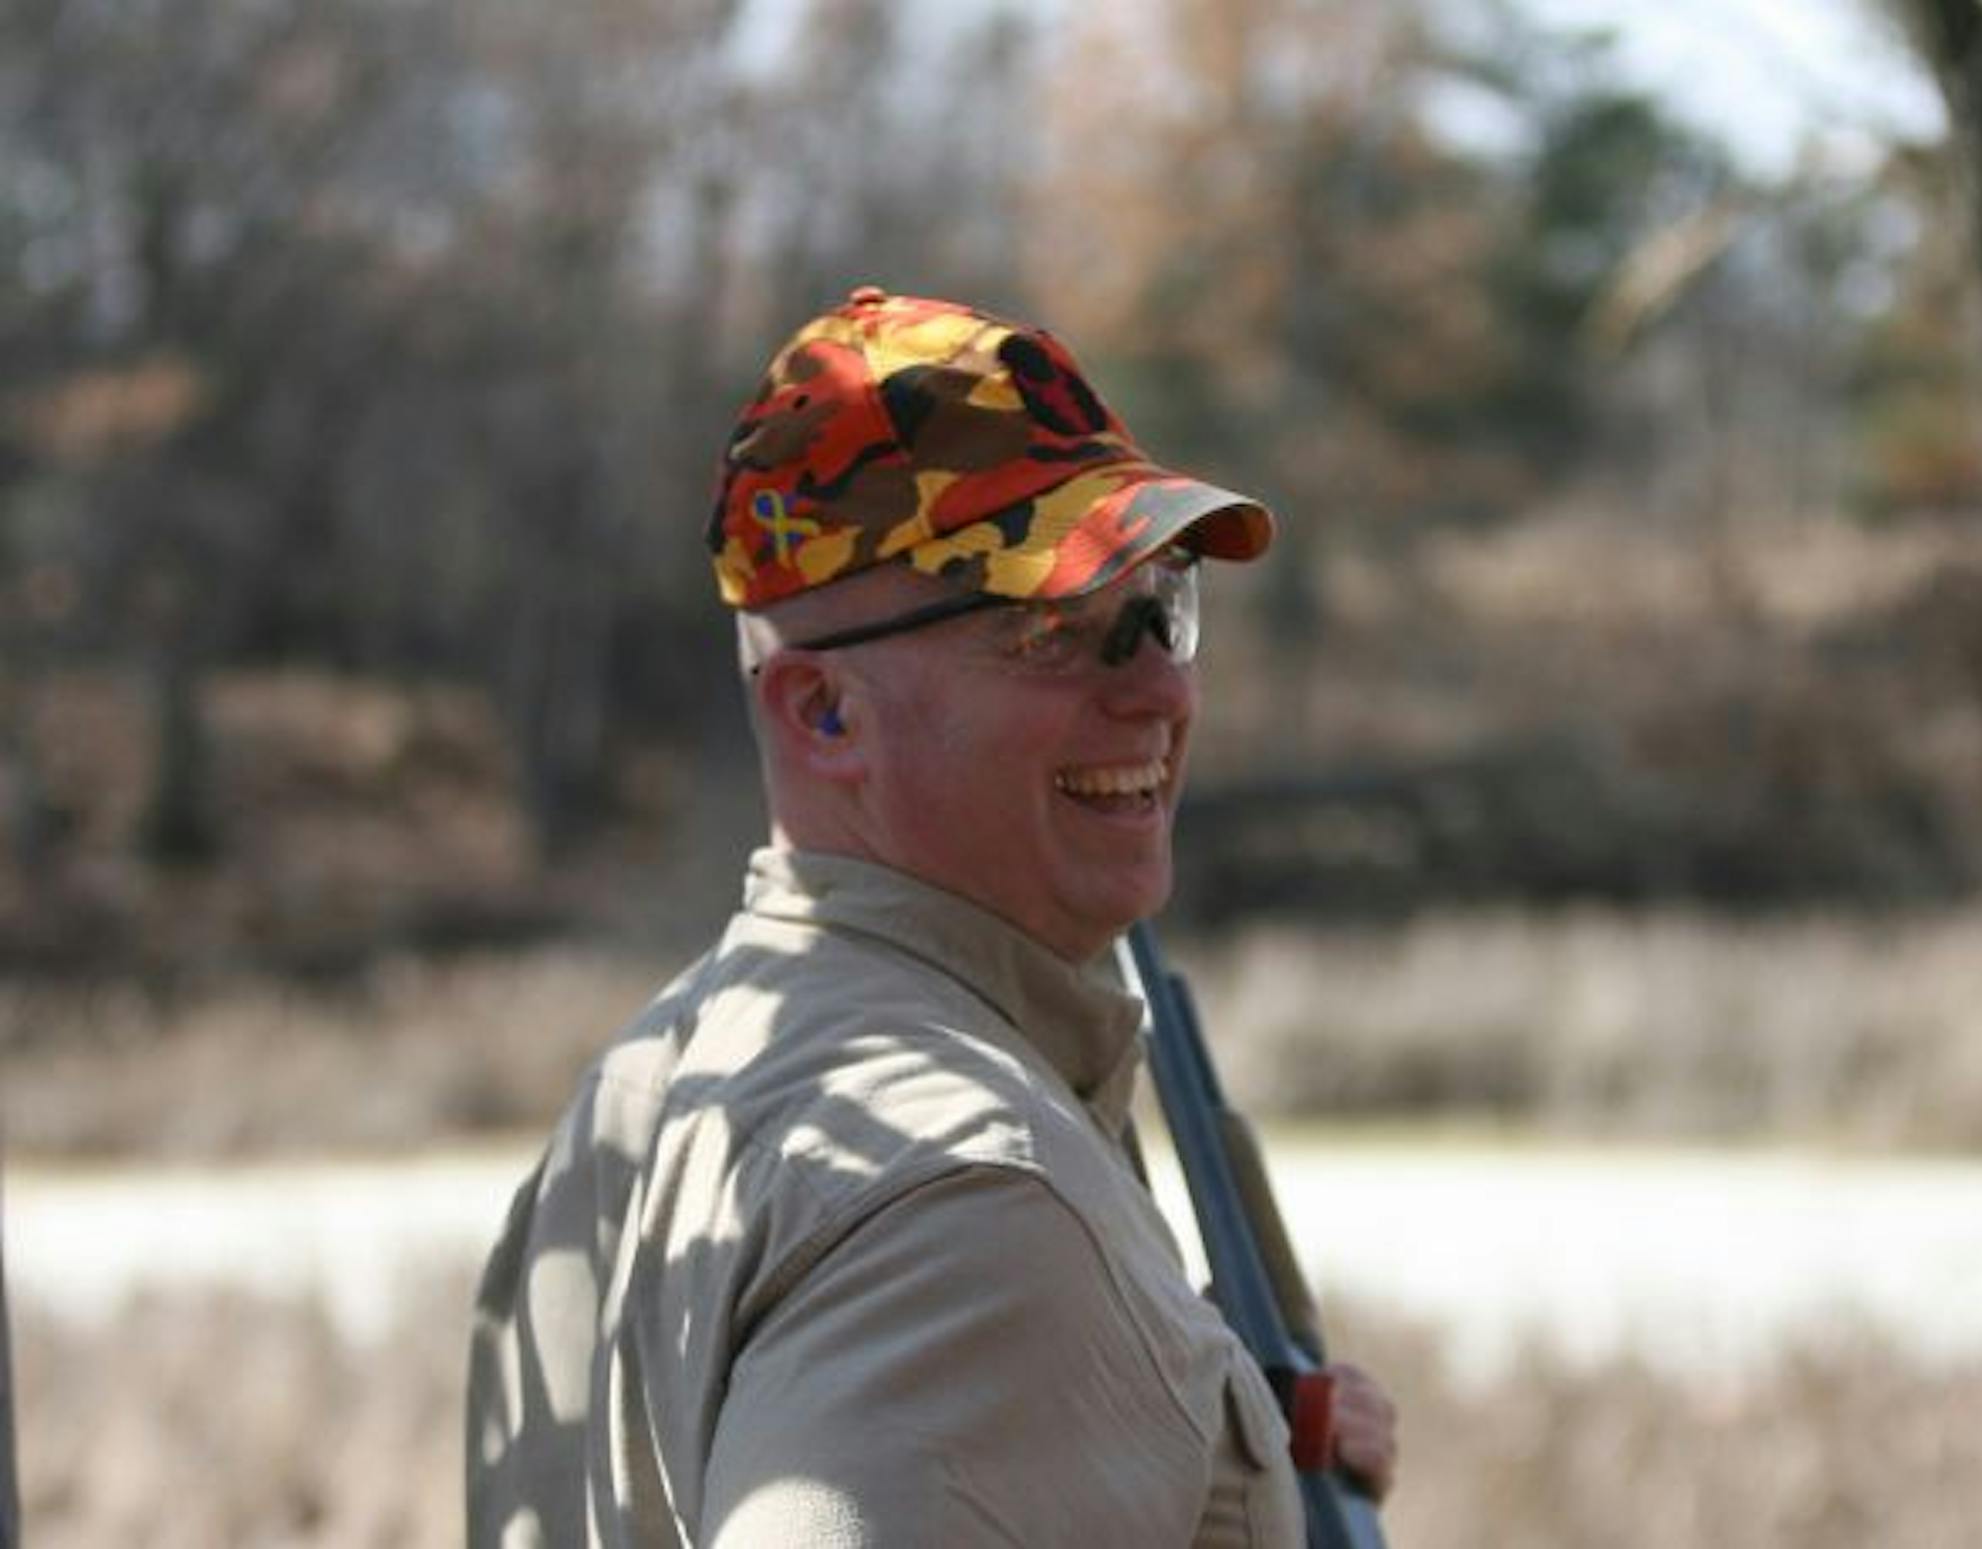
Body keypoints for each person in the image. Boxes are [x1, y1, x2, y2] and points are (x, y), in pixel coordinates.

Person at [467, 287, 1397, 1546]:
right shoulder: (975, 1193)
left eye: (1160, 609)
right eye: (1052, 628)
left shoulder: (642, 1092)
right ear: (822, 713)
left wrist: (1211, 1438)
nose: (1164, 690)